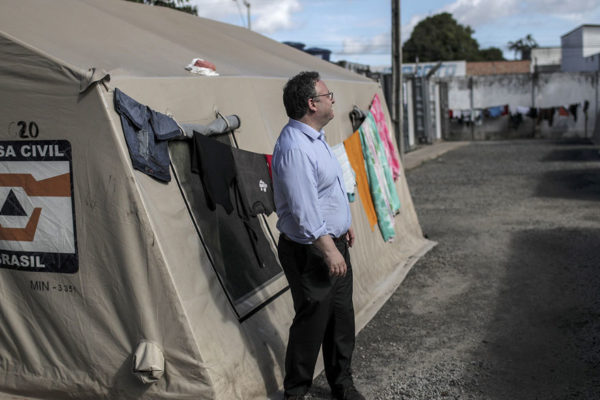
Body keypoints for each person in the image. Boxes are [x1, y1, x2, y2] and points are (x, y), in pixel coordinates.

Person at [272, 71, 364, 400]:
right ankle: (296, 392)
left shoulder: (316, 138)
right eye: (328, 95)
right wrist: (329, 249)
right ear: (313, 104)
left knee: (341, 318)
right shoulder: (295, 147)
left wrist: (344, 224)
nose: (333, 100)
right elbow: (304, 210)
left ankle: (342, 384)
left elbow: (328, 192)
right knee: (312, 322)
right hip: (311, 250)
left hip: (331, 242)